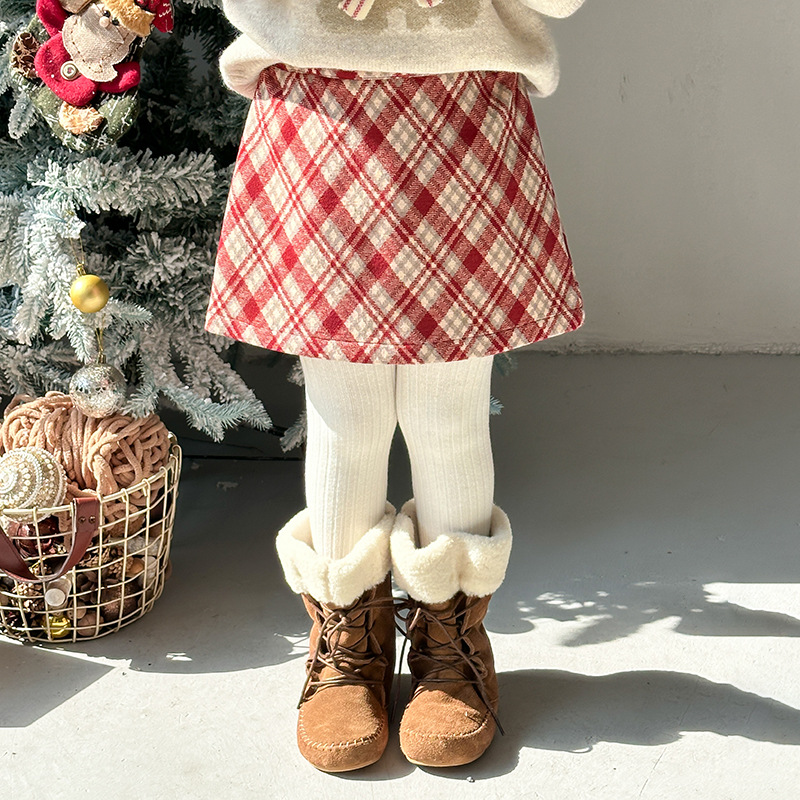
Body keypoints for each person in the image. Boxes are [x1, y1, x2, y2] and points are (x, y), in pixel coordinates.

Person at [205, 0, 586, 773]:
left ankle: (452, 638)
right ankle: (349, 640)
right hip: (320, 104)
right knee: (344, 415)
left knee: (449, 415)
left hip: (463, 106)